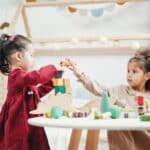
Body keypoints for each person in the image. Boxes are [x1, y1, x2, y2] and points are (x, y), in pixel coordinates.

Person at [60, 49, 150, 150]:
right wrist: (79, 74)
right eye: (128, 71)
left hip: (144, 138)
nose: (129, 74)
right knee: (115, 122)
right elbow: (99, 89)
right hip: (125, 140)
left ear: (147, 76)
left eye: (134, 72)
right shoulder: (121, 91)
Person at [0, 34, 57, 150]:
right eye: (31, 55)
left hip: (31, 122)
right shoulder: (16, 76)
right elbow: (37, 77)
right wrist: (52, 68)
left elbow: (36, 92)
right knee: (19, 145)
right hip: (18, 123)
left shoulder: (24, 79)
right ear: (19, 56)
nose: (33, 59)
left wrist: (52, 83)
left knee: (36, 143)